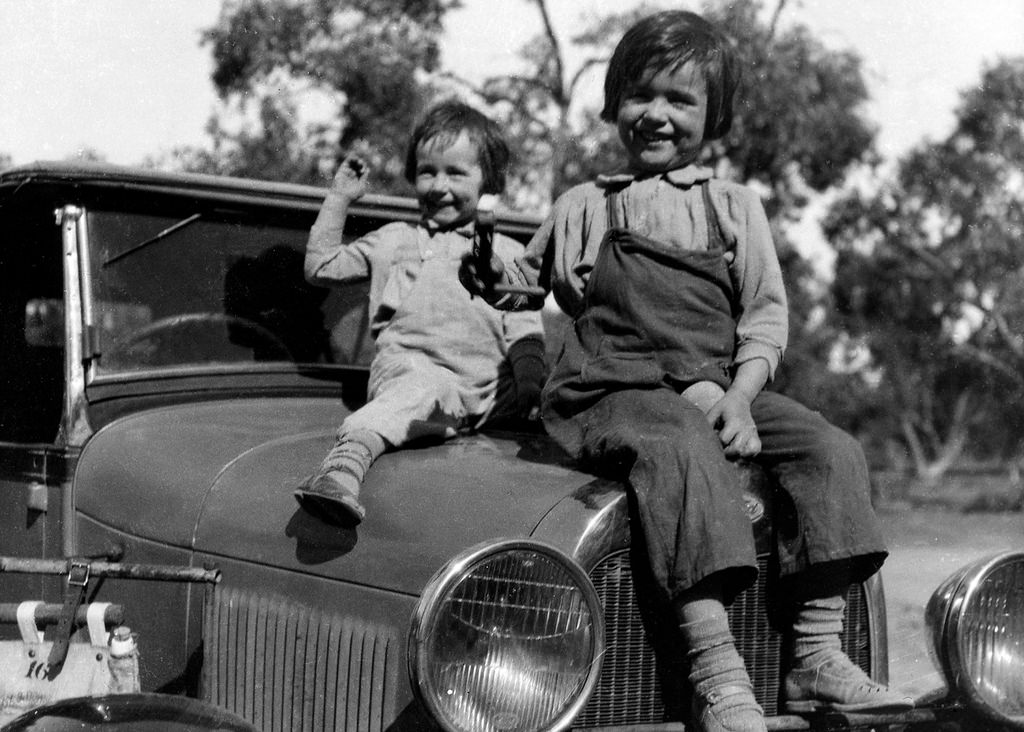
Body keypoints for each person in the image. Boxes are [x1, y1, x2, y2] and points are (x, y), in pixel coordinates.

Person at [460, 11, 911, 732]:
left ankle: (816, 657)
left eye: (680, 100)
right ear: (614, 103)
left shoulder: (733, 207)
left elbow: (765, 315)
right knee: (679, 442)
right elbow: (520, 279)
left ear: (714, 116)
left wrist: (740, 396)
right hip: (612, 388)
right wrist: (486, 262)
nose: (656, 115)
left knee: (831, 450)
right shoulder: (583, 205)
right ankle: (717, 672)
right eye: (641, 95)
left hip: (716, 384)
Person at [297, 100, 546, 526]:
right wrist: (340, 197)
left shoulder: (507, 252)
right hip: (412, 377)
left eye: (456, 172)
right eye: (428, 171)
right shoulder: (392, 240)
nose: (438, 185)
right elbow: (320, 267)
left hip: (487, 397)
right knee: (427, 384)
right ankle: (345, 464)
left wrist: (532, 393)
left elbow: (525, 332)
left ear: (488, 179)